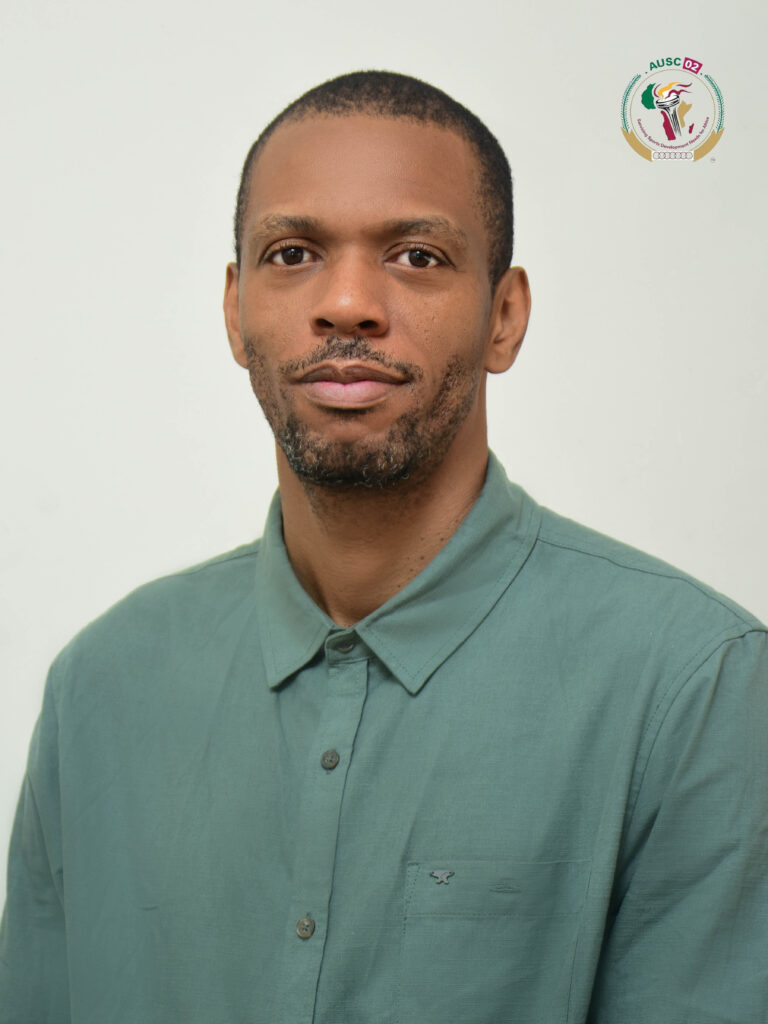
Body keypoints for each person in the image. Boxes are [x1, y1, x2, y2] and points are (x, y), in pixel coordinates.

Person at [1, 70, 766, 1024]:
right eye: (292, 253)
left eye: (415, 255)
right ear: (235, 310)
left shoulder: (696, 687)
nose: (347, 303)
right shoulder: (100, 688)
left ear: (504, 316)